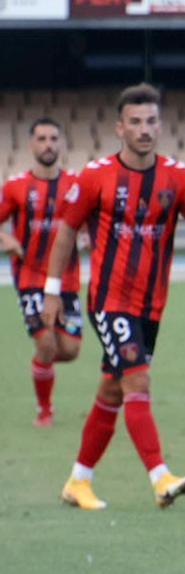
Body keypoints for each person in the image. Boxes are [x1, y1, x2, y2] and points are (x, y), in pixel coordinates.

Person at [40, 83, 185, 511]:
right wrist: (52, 292)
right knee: (138, 380)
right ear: (119, 126)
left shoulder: (175, 177)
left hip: (150, 306)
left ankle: (78, 481)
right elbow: (66, 231)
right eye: (136, 122)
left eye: (152, 121)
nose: (145, 129)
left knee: (112, 390)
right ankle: (161, 477)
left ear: (160, 125)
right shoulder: (95, 175)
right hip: (108, 300)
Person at [0, 118, 82, 426]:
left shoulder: (75, 185)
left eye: (53, 138)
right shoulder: (15, 187)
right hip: (31, 278)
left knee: (71, 350)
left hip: (67, 279)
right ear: (32, 145)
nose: (48, 144)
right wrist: (5, 237)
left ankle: (40, 363)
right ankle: (44, 411)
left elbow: (90, 220)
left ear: (60, 144)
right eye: (42, 139)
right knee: (46, 341)